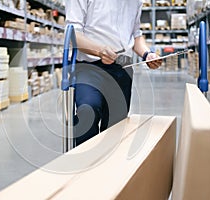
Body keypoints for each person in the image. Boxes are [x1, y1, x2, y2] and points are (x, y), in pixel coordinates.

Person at [65, 0, 162, 146]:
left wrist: (147, 54)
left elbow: (136, 34)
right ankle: (85, 163)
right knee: (88, 110)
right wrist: (99, 50)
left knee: (116, 125)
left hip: (122, 68)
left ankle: (110, 165)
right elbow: (73, 34)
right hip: (89, 66)